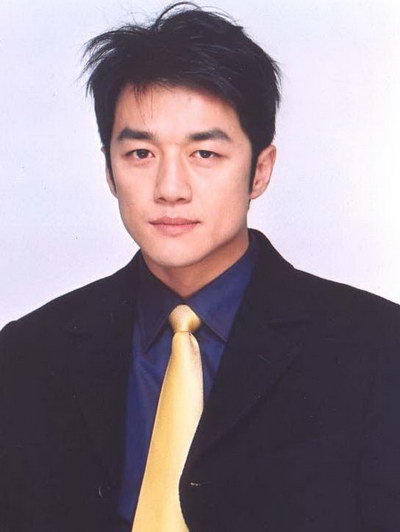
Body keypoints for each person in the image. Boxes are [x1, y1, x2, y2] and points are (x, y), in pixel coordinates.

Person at [1, 3, 399, 531]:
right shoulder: (27, 355)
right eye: (140, 154)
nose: (170, 189)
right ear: (109, 171)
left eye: (204, 154)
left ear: (260, 170)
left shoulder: (377, 349)